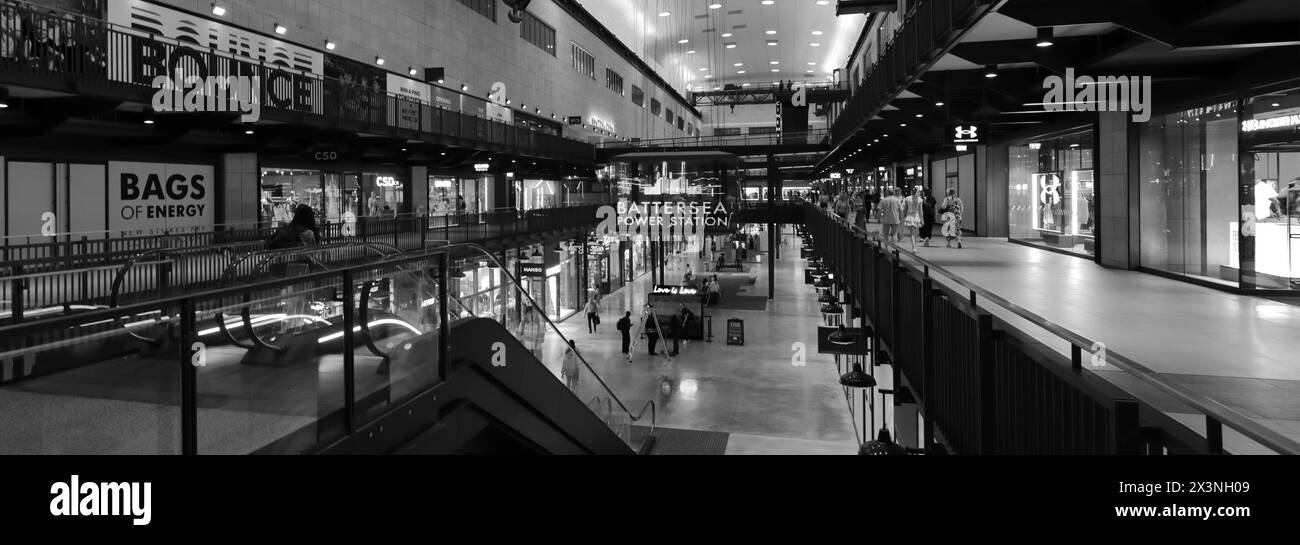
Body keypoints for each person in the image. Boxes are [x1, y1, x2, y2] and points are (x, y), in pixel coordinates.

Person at [902, 187, 924, 252]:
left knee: (912, 233)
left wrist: (904, 217)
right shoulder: (920, 199)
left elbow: (905, 209)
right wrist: (922, 220)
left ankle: (914, 247)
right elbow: (921, 211)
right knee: (915, 233)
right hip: (917, 217)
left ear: (911, 192)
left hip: (909, 216)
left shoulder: (907, 198)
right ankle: (915, 246)